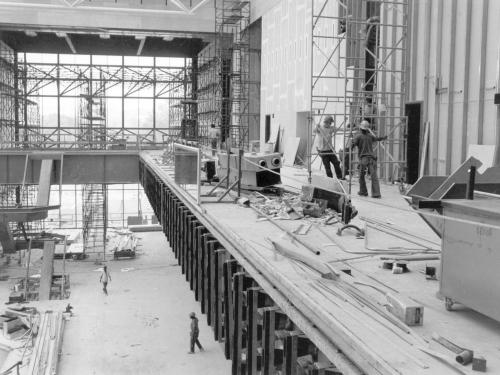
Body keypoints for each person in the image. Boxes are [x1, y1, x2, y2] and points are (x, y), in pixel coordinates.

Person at [350, 120, 387, 198]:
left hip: (363, 159)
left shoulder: (358, 136)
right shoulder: (370, 136)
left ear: (361, 128)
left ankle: (363, 191)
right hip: (372, 158)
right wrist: (383, 137)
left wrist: (351, 146)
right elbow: (377, 138)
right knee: (374, 176)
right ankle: (376, 193)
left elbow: (353, 144)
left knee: (361, 175)